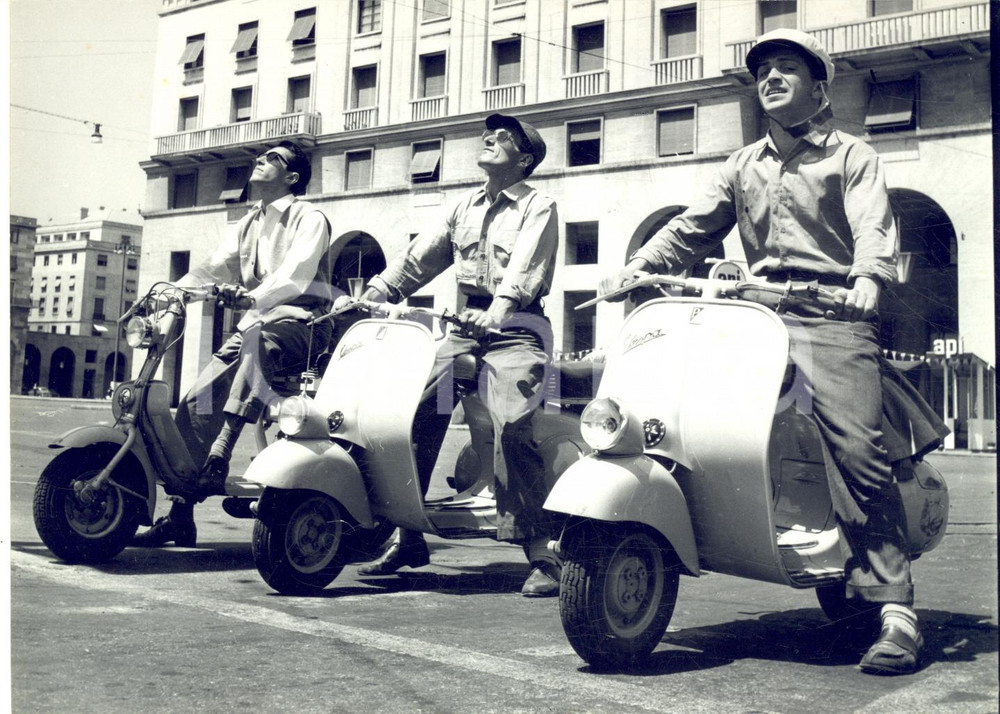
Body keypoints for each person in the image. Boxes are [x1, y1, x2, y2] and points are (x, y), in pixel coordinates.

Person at [601, 29, 924, 674]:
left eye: (786, 68)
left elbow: (872, 225)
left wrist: (867, 278)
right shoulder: (740, 164)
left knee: (858, 449)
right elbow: (691, 229)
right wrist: (637, 267)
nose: (770, 78)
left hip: (830, 312)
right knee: (673, 412)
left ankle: (896, 610)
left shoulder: (852, 155)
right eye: (763, 71)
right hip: (753, 313)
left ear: (819, 88)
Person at [357, 113, 562, 597]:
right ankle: (407, 535)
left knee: (513, 422)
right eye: (488, 134)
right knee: (412, 413)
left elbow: (526, 268)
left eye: (503, 137)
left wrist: (498, 311)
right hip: (464, 332)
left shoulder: (538, 206)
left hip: (517, 329)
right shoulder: (463, 206)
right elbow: (419, 259)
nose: (489, 138)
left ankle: (541, 551)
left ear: (524, 160)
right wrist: (377, 289)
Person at [133, 140, 334, 547]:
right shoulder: (248, 222)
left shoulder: (309, 217)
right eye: (261, 156)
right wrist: (171, 292)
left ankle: (220, 453)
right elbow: (214, 267)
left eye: (273, 158)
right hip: (257, 325)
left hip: (305, 325)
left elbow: (295, 276)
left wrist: (251, 298)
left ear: (292, 177)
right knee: (197, 399)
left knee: (256, 344)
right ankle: (180, 514)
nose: (260, 159)